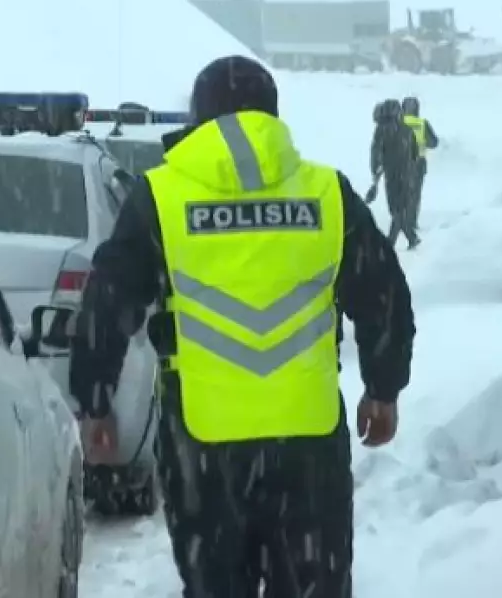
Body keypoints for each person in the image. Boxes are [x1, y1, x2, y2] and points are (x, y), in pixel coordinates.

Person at [69, 55, 415, 597]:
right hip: (308, 444)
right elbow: (383, 294)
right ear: (273, 116)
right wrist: (383, 387)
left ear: (199, 118)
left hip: (203, 450)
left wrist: (94, 399)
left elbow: (108, 300)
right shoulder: (327, 193)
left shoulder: (161, 197)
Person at [365, 99, 421, 249]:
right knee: (399, 210)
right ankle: (411, 238)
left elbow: (375, 153)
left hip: (392, 176)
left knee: (395, 210)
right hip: (407, 175)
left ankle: (390, 244)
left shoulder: (381, 130)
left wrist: (375, 172)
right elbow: (415, 154)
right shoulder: (407, 129)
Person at [400, 96, 439, 227]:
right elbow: (434, 143)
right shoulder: (422, 123)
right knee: (415, 194)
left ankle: (400, 220)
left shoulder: (398, 122)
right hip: (418, 163)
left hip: (400, 163)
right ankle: (411, 222)